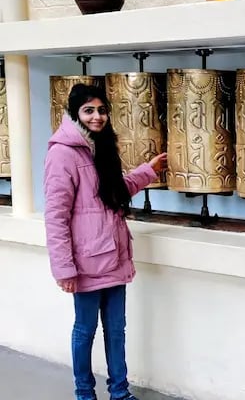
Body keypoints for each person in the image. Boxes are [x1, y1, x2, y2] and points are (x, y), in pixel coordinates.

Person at [43, 83, 167, 400]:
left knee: (116, 331)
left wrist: (147, 172)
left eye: (101, 110)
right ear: (74, 113)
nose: (97, 117)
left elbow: (114, 191)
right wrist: (64, 269)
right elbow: (55, 215)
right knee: (85, 332)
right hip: (85, 263)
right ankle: (84, 394)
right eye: (89, 110)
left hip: (113, 255)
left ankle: (120, 392)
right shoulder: (62, 154)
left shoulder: (101, 147)